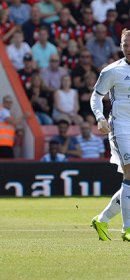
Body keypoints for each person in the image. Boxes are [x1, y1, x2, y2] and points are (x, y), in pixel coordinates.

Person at [90, 29, 130, 241]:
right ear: (121, 46)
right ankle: (128, 229)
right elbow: (96, 97)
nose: (128, 49)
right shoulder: (112, 71)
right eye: (125, 45)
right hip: (121, 127)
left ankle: (102, 220)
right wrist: (100, 117)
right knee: (129, 173)